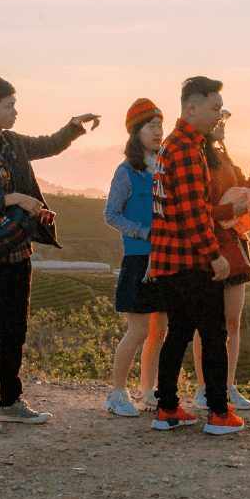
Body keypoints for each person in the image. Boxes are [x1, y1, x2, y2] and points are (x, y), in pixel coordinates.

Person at [0, 74, 98, 434]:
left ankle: (12, 402)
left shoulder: (14, 143)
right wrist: (13, 198)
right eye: (9, 105)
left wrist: (73, 128)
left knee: (16, 329)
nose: (16, 111)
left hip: (19, 251)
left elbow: (49, 144)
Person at [147, 76, 243, 436]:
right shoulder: (187, 151)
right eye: (215, 108)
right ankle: (219, 413)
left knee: (179, 333)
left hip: (169, 260)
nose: (219, 115)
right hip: (189, 261)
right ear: (192, 107)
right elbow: (191, 215)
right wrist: (214, 255)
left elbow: (189, 207)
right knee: (214, 333)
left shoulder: (172, 146)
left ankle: (167, 407)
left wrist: (222, 211)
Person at [190, 112, 250, 412]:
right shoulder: (196, 160)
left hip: (234, 244)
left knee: (233, 322)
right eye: (217, 119)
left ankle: (229, 386)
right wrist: (229, 209)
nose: (221, 124)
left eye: (224, 121)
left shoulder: (225, 159)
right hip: (207, 245)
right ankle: (204, 388)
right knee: (205, 324)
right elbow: (200, 208)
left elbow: (249, 187)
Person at [101, 98, 171, 417]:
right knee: (138, 330)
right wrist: (144, 232)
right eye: (150, 126)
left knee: (160, 330)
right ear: (135, 132)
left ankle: (147, 392)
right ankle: (116, 393)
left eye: (160, 125)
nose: (158, 132)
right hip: (138, 260)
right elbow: (111, 214)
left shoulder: (164, 167)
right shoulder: (126, 172)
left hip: (165, 259)